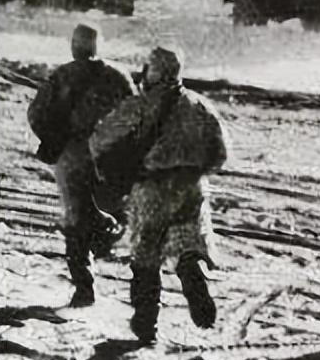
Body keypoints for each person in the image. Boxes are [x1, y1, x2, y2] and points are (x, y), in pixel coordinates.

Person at [90, 45, 227, 343]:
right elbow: (221, 152)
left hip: (151, 187)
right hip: (191, 186)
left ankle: (146, 322)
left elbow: (100, 139)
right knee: (188, 239)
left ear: (155, 70)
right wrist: (196, 170)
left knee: (146, 254)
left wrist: (109, 169)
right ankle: (192, 269)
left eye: (148, 66)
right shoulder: (200, 105)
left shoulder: (139, 105)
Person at [27, 24, 135, 307]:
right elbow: (137, 118)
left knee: (77, 218)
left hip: (71, 156)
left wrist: (53, 139)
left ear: (74, 45)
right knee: (110, 208)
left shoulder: (61, 76)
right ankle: (107, 237)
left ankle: (84, 286)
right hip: (109, 158)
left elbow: (36, 113)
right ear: (98, 45)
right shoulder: (118, 77)